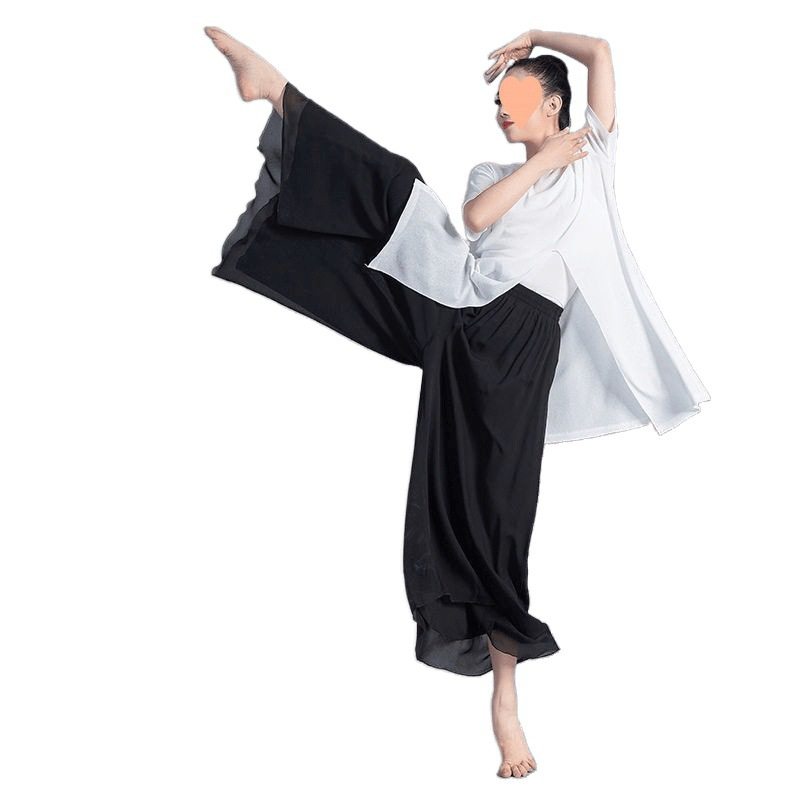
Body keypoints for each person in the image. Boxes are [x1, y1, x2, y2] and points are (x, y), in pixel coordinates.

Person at [204, 26, 710, 779]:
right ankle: (277, 91)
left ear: (555, 103)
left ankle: (505, 699)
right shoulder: (492, 171)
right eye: (498, 101)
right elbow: (473, 222)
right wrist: (537, 162)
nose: (502, 110)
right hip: (461, 310)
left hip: (521, 348)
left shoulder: (592, 159)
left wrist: (536, 36)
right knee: (396, 190)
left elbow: (601, 52)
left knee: (499, 512)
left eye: (516, 97)